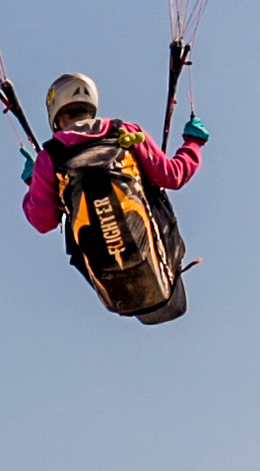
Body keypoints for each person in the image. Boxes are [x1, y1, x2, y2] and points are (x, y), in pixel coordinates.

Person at [21, 71, 207, 322]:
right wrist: (192, 144)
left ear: (57, 116)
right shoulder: (124, 133)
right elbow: (173, 175)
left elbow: (43, 221)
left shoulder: (50, 158)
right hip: (159, 268)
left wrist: (34, 184)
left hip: (115, 291)